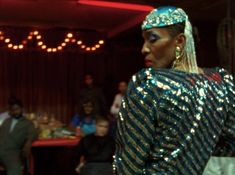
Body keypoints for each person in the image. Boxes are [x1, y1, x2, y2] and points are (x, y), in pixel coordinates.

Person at [115, 6, 235, 175]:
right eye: (144, 40)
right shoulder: (222, 82)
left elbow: (128, 165)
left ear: (179, 41)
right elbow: (229, 147)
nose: (144, 49)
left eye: (152, 39)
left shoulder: (149, 84)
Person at [0, 99, 38, 175]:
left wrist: (29, 142)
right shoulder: (6, 121)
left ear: (22, 109)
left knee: (15, 170)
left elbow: (33, 133)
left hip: (11, 153)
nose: (15, 112)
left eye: (17, 109)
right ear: (10, 111)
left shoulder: (27, 123)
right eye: (13, 110)